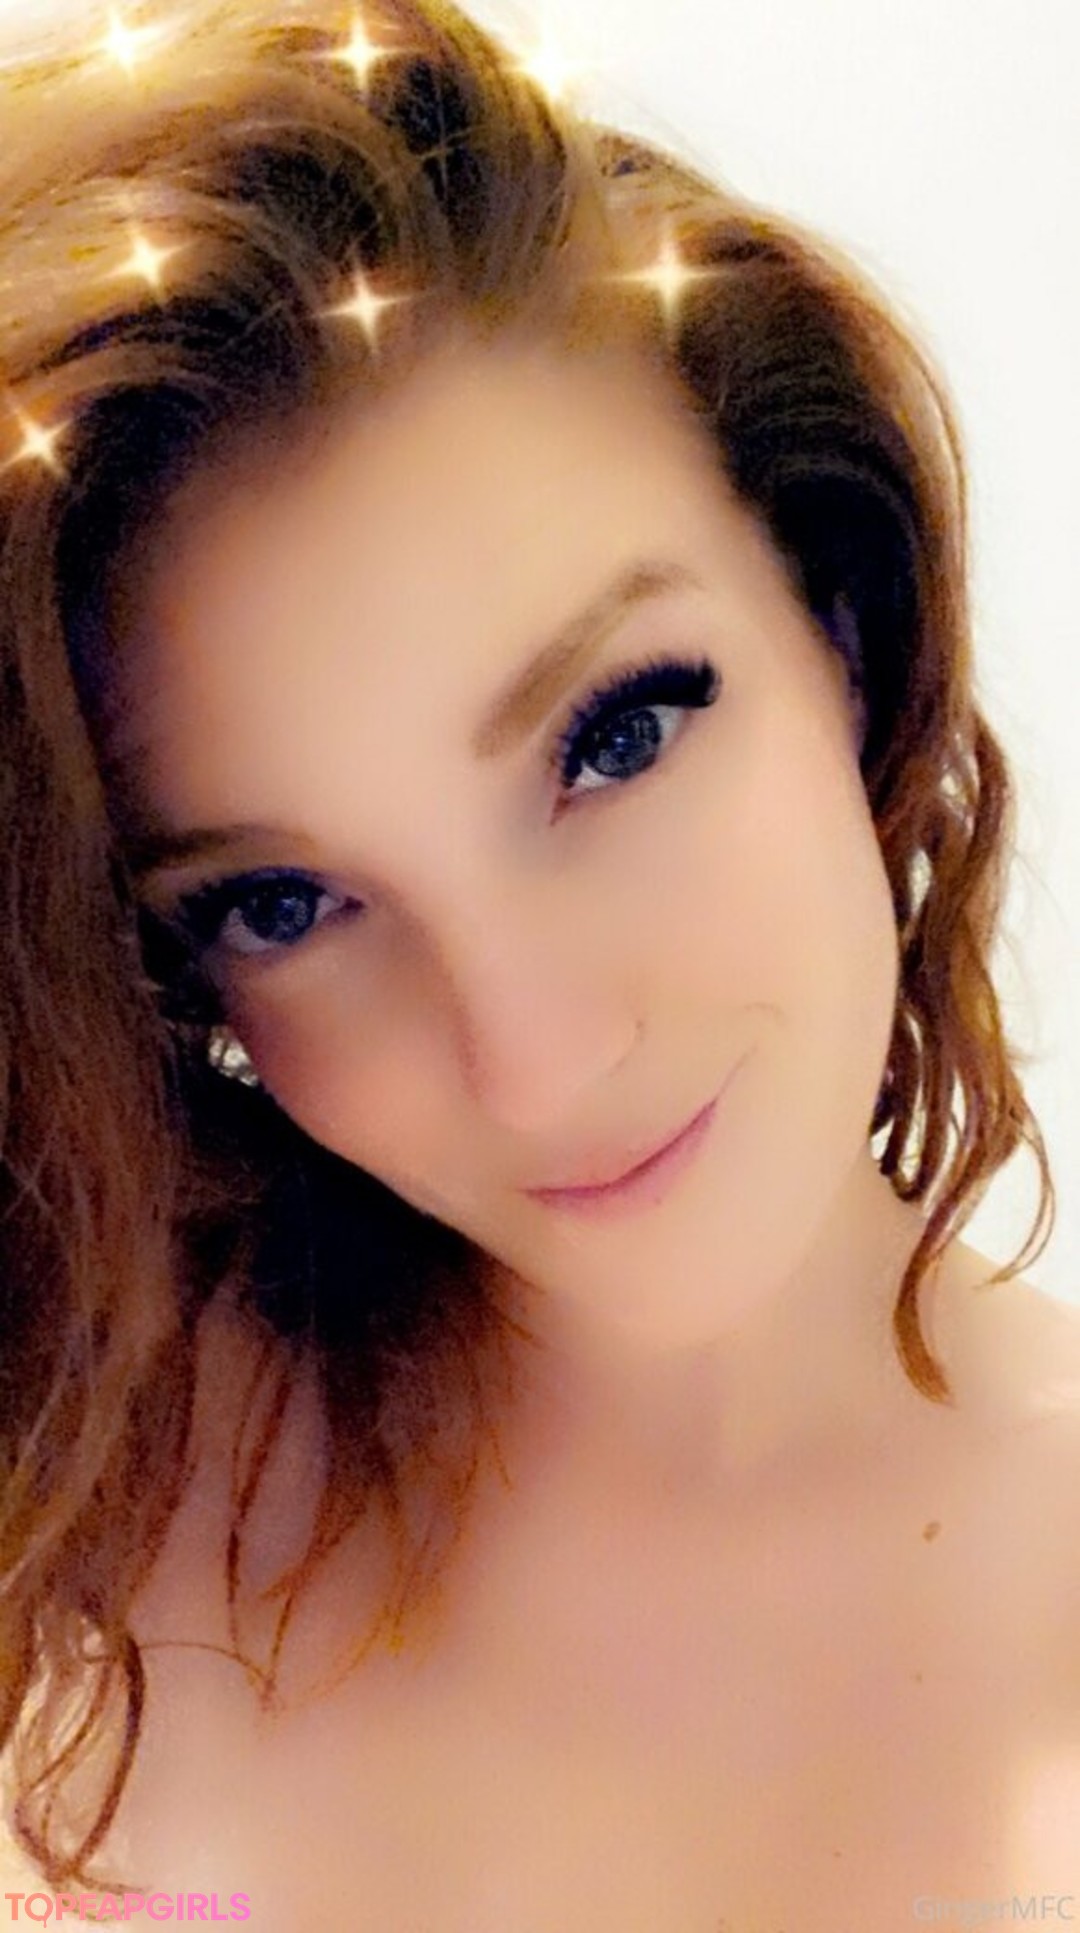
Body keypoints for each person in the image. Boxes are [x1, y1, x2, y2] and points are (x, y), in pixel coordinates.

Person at [0, 0, 1077, 1925]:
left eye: (615, 733)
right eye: (278, 902)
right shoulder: (93, 1467)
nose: (537, 1057)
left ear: (838, 616)